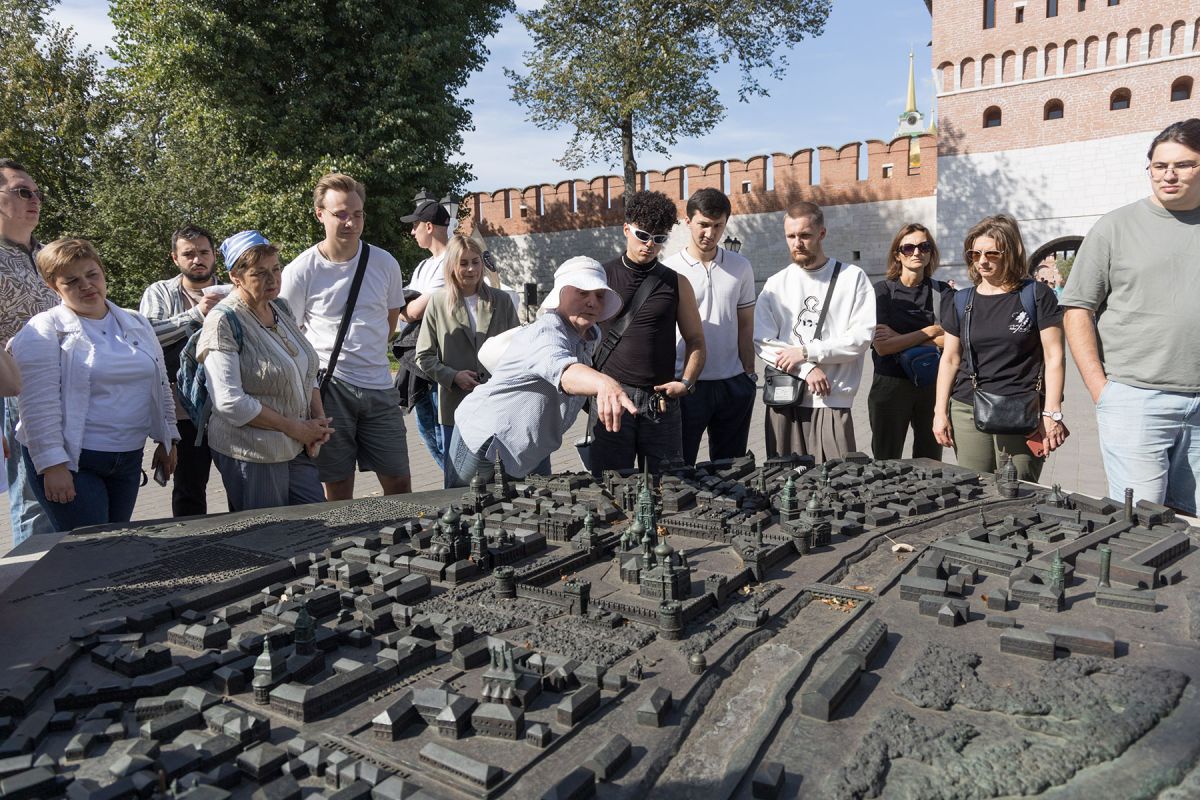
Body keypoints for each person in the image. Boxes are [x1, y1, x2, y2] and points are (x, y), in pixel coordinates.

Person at [1062, 118, 1200, 514]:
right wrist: (1101, 391)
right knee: (1140, 522)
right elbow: (1078, 309)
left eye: (1183, 165)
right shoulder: (1114, 227)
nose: (1168, 175)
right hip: (1137, 400)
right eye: (1159, 166)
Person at [10, 238, 178, 531]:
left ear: (103, 272)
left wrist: (168, 438)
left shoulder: (136, 322)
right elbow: (37, 406)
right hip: (74, 462)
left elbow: (160, 383)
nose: (86, 285)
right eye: (72, 281)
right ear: (53, 287)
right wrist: (53, 465)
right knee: (91, 548)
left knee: (115, 540)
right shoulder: (42, 330)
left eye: (92, 275)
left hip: (127, 457)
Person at [448, 257, 638, 487]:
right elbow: (563, 371)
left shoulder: (590, 335)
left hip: (531, 450)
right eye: (582, 292)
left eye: (599, 296)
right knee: (461, 511)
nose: (592, 302)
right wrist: (603, 383)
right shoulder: (546, 330)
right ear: (560, 294)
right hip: (485, 440)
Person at [280, 172, 411, 499]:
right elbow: (289, 336)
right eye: (340, 214)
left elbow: (390, 323)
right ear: (320, 214)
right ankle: (346, 546)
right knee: (338, 486)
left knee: (399, 482)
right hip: (330, 389)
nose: (350, 222)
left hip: (380, 386)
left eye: (357, 214)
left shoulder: (384, 263)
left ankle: (403, 543)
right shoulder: (301, 270)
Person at [198, 232, 331, 511]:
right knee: (269, 540)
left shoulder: (280, 308)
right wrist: (296, 428)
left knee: (317, 526)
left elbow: (306, 369)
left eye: (276, 269)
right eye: (260, 273)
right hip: (253, 453)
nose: (273, 280)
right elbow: (230, 402)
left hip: (296, 445)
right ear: (236, 276)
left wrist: (317, 423)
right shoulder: (224, 320)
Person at [933, 215, 1066, 481]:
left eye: (992, 253)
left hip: (1021, 408)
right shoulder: (960, 300)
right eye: (975, 253)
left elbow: (1054, 358)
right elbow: (949, 359)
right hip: (967, 408)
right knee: (974, 489)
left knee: (1018, 491)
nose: (982, 261)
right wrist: (939, 412)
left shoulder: (1035, 295)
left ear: (1010, 253)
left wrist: (1051, 411)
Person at [590, 190, 705, 474]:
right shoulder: (599, 278)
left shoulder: (677, 283)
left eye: (659, 238)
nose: (650, 245)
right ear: (626, 229)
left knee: (669, 492)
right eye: (643, 235)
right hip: (613, 399)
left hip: (661, 403)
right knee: (610, 490)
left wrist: (686, 383)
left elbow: (696, 340)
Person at [754, 202, 875, 461]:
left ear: (821, 233)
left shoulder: (852, 278)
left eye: (805, 235)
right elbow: (763, 341)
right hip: (785, 399)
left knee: (837, 484)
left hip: (831, 399)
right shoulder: (776, 284)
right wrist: (806, 367)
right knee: (784, 485)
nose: (797, 243)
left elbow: (861, 338)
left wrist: (807, 352)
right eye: (791, 236)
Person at [662, 188, 757, 464]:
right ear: (688, 221)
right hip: (687, 385)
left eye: (718, 226)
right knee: (680, 467)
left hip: (733, 383)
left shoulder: (741, 267)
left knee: (730, 468)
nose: (710, 233)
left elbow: (746, 325)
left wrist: (748, 376)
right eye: (704, 224)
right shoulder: (669, 270)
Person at [416, 234, 519, 486]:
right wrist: (453, 376)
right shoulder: (438, 303)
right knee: (459, 482)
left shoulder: (501, 300)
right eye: (463, 263)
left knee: (502, 481)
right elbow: (424, 356)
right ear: (451, 265)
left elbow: (519, 347)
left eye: (475, 262)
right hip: (456, 408)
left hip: (498, 405)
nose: (471, 269)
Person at [140, 224, 226, 517]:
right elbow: (146, 336)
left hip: (231, 408)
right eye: (188, 253)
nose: (197, 259)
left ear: (214, 255)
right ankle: (194, 555)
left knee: (242, 483)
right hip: (184, 412)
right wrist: (196, 313)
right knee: (189, 489)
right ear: (175, 258)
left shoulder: (233, 290)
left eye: (204, 252)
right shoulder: (160, 292)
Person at [0, 158, 59, 544]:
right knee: (34, 502)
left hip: (65, 386)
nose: (34, 199)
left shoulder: (49, 257)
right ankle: (34, 590)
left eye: (36, 192)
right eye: (22, 192)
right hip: (16, 394)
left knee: (64, 493)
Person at [869, 223, 948, 460]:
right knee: (886, 458)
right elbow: (882, 347)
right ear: (897, 254)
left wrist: (900, 338)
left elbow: (954, 343)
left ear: (931, 252)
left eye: (924, 247)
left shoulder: (942, 292)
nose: (917, 253)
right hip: (891, 384)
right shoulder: (882, 291)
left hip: (932, 384)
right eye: (909, 248)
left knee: (930, 458)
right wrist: (931, 331)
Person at [397, 195, 450, 467]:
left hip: (442, 357)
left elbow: (413, 312)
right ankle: (452, 484)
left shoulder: (453, 261)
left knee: (442, 431)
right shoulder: (423, 266)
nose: (412, 231)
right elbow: (404, 308)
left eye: (415, 225)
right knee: (427, 430)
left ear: (429, 227)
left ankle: (456, 487)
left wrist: (406, 306)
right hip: (420, 358)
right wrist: (407, 306)